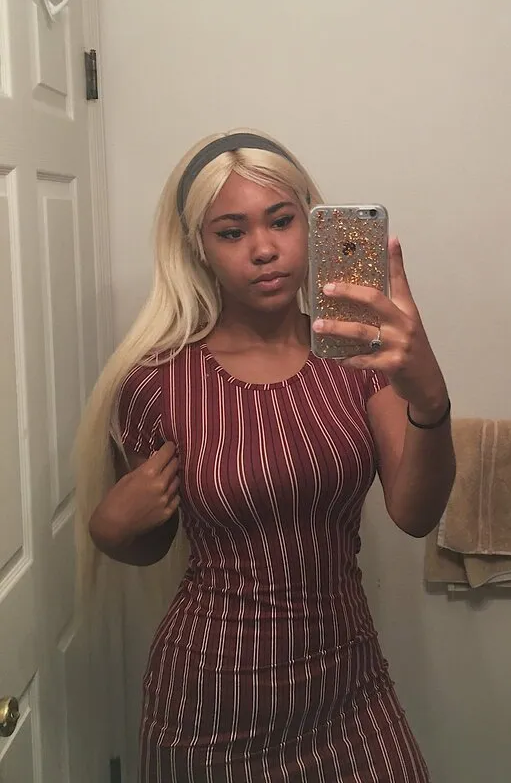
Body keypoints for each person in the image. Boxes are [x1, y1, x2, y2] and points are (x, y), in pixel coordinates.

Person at [74, 128, 456, 783]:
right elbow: (151, 543)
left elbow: (415, 514)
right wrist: (109, 530)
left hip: (349, 690)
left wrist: (430, 398)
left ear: (311, 224)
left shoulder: (359, 359)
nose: (263, 249)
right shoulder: (159, 382)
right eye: (231, 232)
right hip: (206, 707)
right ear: (199, 248)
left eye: (281, 221)